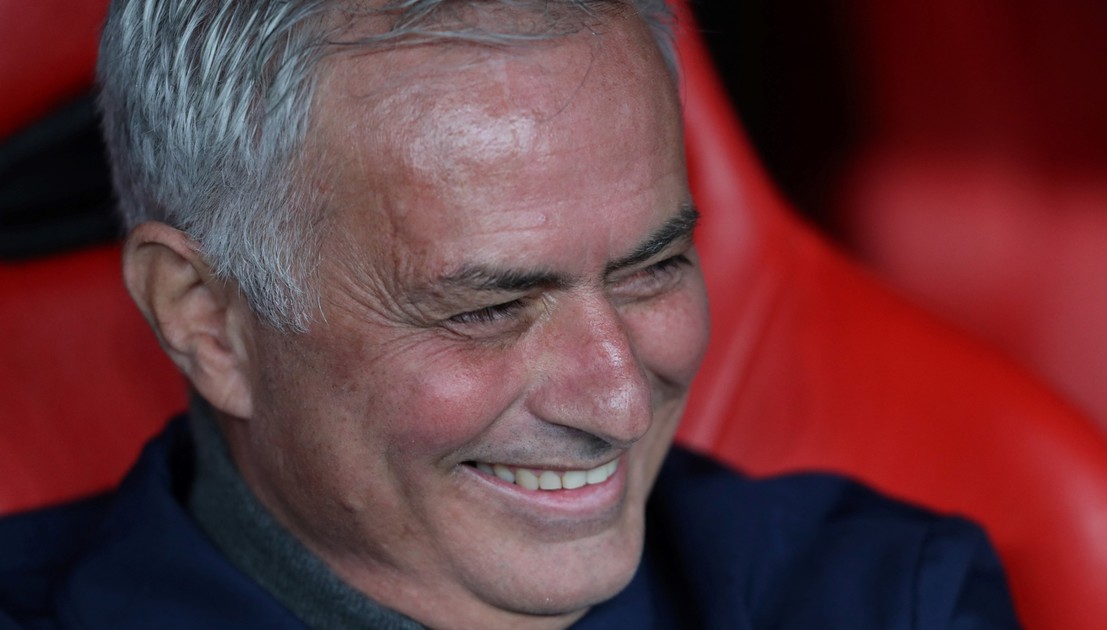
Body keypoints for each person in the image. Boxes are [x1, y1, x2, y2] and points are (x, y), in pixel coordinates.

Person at [0, 0, 1019, 628]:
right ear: (207, 320)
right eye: (491, 307)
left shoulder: (880, 599)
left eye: (654, 267)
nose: (620, 402)